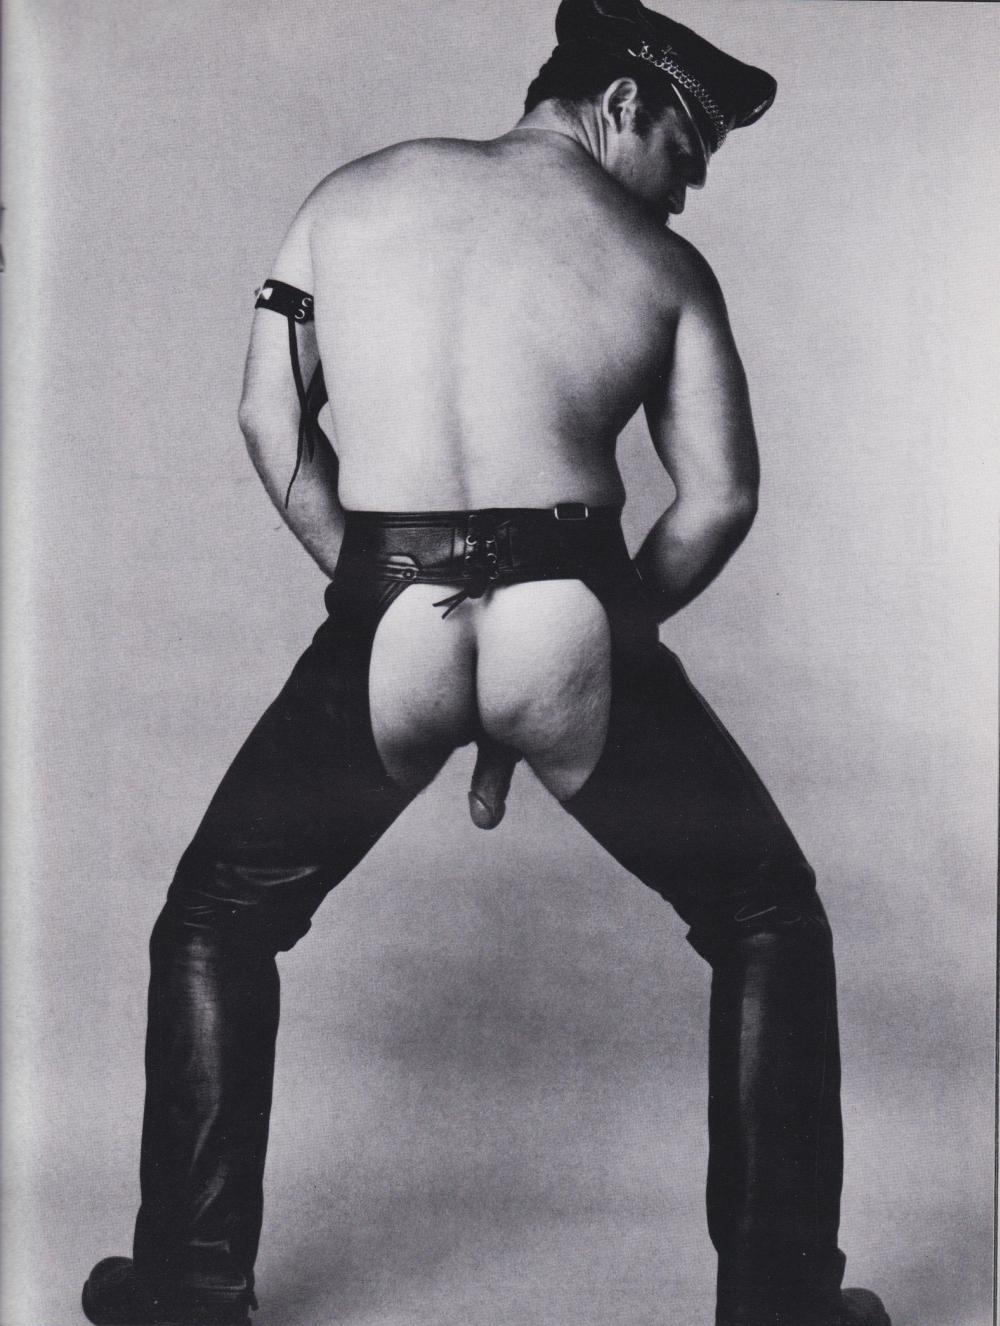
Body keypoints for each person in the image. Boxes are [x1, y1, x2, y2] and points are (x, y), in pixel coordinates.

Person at [82, 2, 891, 1324]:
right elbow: (722, 499)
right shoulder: (664, 268)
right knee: (767, 923)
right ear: (622, 103)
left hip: (388, 614)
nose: (689, 186)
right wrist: (603, 644)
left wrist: (376, 589)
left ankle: (189, 1285)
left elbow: (268, 415)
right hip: (572, 609)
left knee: (219, 919)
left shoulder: (348, 199)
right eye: (686, 148)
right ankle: (781, 1300)